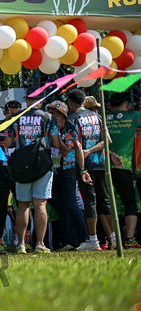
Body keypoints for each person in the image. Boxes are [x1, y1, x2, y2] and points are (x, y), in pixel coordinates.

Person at [4, 87, 64, 254]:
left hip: (22, 166)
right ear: (42, 100)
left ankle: (21, 245)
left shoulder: (15, 117)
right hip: (42, 165)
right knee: (40, 204)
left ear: (26, 99)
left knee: (23, 205)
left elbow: (8, 143)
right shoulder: (48, 117)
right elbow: (56, 143)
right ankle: (40, 244)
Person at [66, 88, 115, 251]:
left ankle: (93, 240)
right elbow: (107, 140)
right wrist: (92, 150)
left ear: (70, 103)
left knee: (90, 201)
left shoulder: (72, 119)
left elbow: (78, 146)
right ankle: (114, 238)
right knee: (105, 199)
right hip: (101, 163)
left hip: (85, 165)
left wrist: (82, 169)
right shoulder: (98, 116)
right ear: (84, 101)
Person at [47, 100, 88, 251]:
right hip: (53, 171)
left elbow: (65, 150)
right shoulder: (48, 128)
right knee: (60, 206)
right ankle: (70, 241)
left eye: (53, 113)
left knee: (71, 204)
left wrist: (57, 135)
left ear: (62, 114)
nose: (51, 116)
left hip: (68, 170)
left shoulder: (70, 129)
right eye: (50, 113)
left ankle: (84, 238)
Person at [104, 92, 140, 248]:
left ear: (109, 105)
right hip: (123, 167)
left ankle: (112, 239)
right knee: (130, 204)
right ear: (126, 104)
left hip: (103, 166)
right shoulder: (134, 117)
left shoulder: (103, 118)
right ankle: (129, 240)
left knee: (107, 203)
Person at [0, 100, 21, 253]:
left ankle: (22, 240)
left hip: (18, 171)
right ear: (5, 112)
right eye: (11, 113)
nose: (13, 116)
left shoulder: (22, 125)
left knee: (21, 206)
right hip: (0, 170)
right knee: (0, 208)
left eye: (16, 113)